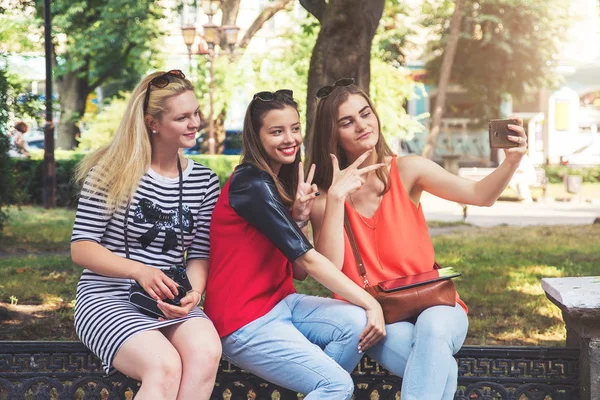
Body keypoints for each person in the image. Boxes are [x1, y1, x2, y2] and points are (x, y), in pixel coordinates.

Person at [305, 79, 528, 400]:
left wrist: (511, 162)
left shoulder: (408, 171)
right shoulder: (326, 200)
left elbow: (479, 195)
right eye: (347, 122)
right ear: (333, 135)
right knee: (442, 369)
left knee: (434, 331)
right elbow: (332, 271)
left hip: (436, 303)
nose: (362, 125)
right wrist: (337, 199)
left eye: (365, 114)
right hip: (378, 316)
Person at [204, 89, 386, 400]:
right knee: (336, 385)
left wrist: (299, 218)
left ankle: (311, 386)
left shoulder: (276, 182)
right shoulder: (252, 184)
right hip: (243, 321)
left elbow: (297, 272)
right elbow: (311, 262)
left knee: (356, 325)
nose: (290, 139)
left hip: (281, 304)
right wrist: (371, 302)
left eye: (295, 128)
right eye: (277, 131)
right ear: (256, 137)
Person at [71, 70, 221, 400]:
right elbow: (82, 248)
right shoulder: (111, 171)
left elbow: (199, 253)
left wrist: (193, 294)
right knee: (164, 366)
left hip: (169, 299)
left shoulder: (205, 182)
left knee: (206, 351)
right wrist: (139, 270)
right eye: (182, 117)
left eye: (195, 113)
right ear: (153, 122)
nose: (194, 123)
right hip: (107, 296)